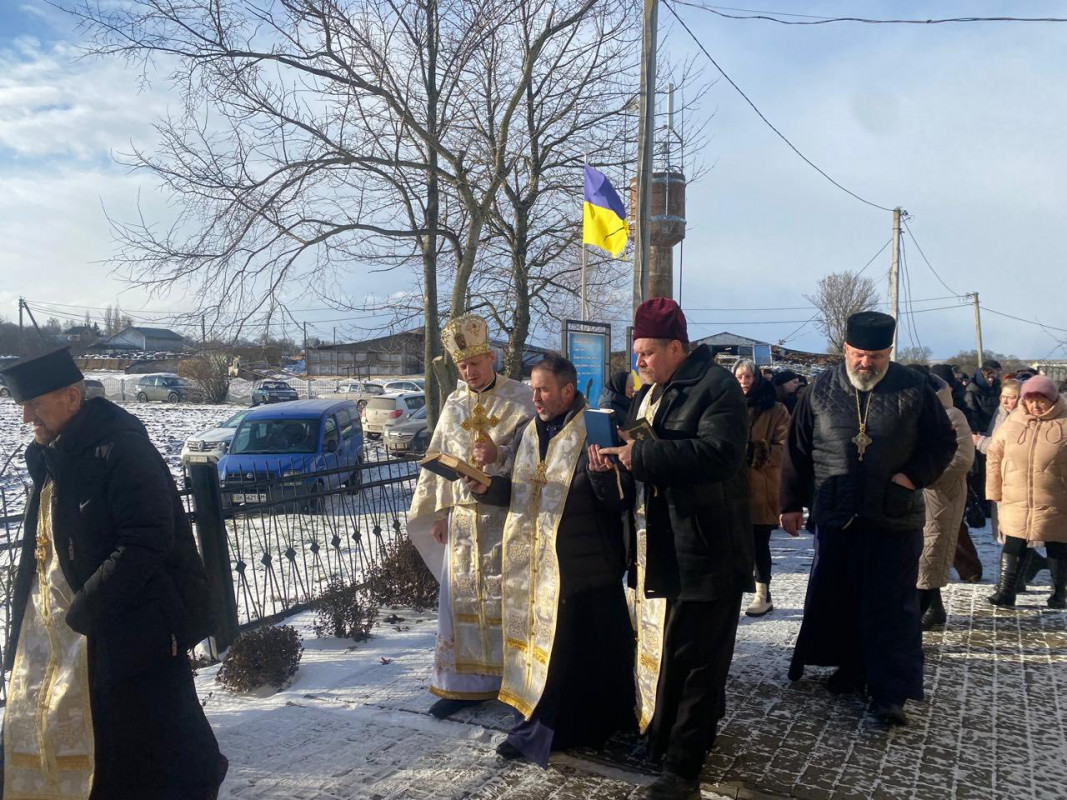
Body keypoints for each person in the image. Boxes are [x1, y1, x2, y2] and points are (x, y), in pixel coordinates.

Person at [1, 348, 227, 799]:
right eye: (20, 405)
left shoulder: (122, 449)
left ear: (71, 397)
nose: (26, 416)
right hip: (63, 635)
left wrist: (86, 613)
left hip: (127, 629)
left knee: (148, 754)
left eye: (34, 404)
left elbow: (146, 539)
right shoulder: (53, 451)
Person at [600, 297, 752, 800]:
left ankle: (684, 769)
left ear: (676, 348)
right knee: (670, 651)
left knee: (699, 659)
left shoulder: (718, 388)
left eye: (645, 352)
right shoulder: (653, 393)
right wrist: (616, 460)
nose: (638, 361)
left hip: (708, 548)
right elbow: (651, 455)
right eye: (636, 352)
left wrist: (640, 454)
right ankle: (665, 737)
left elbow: (719, 454)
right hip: (666, 547)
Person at [780, 311, 956, 727]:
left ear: (889, 353)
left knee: (891, 606)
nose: (866, 363)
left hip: (894, 517)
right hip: (837, 514)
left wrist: (913, 477)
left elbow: (942, 442)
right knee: (840, 597)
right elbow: (797, 450)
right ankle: (852, 670)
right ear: (846, 350)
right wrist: (790, 502)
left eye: (876, 356)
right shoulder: (820, 389)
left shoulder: (913, 387)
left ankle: (890, 693)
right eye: (859, 354)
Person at [465, 355, 635, 765]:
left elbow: (619, 501)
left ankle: (574, 729)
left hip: (584, 566)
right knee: (549, 653)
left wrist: (600, 473)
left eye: (542, 389)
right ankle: (542, 725)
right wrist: (486, 488)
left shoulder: (596, 429)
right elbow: (523, 493)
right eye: (533, 388)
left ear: (567, 389)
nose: (535, 397)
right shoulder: (529, 430)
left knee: (581, 656)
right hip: (537, 567)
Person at [406, 314, 535, 718]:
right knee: (461, 603)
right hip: (463, 523)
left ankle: (515, 686)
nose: (469, 371)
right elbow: (439, 459)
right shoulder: (454, 402)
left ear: (491, 357)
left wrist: (500, 455)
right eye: (462, 365)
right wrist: (440, 513)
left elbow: (536, 456)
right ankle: (461, 686)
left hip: (506, 518)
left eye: (474, 363)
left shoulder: (521, 397)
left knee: (508, 601)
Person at [985, 375, 1067, 608]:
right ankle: (1006, 591)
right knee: (1013, 542)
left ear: (1052, 399)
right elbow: (994, 453)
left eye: (1040, 399)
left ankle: (1059, 592)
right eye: (1030, 400)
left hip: (1055, 496)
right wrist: (994, 490)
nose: (1035, 405)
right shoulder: (1014, 421)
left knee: (1057, 543)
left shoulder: (1065, 421)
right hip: (1016, 496)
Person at [909, 366, 975, 630]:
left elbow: (962, 459)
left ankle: (922, 613)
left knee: (932, 553)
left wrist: (917, 476)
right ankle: (933, 608)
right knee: (918, 558)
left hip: (940, 495)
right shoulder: (904, 414)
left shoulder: (952, 415)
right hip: (906, 498)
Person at [733, 359, 791, 617]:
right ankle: (733, 592)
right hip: (730, 487)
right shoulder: (727, 406)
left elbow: (784, 448)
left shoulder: (776, 409)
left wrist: (752, 451)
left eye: (748, 376)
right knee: (733, 543)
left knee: (758, 544)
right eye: (739, 377)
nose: (744, 382)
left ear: (757, 378)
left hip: (760, 486)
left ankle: (762, 593)